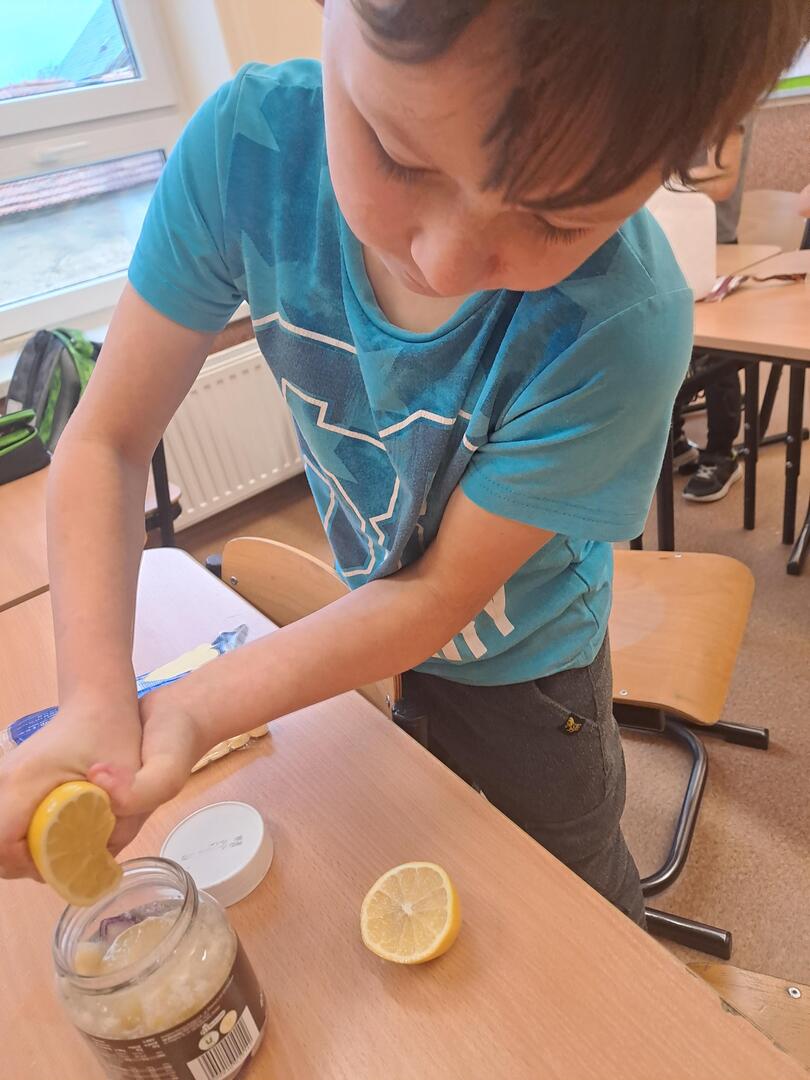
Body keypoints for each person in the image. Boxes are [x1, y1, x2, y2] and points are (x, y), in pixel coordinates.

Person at [0, 2, 806, 928]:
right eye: (398, 155)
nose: (445, 263)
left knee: (579, 900)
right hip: (380, 619)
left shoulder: (619, 326)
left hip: (531, 669)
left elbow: (436, 598)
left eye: (556, 223)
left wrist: (192, 708)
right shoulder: (246, 149)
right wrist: (95, 699)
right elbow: (105, 441)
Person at [672, 120, 754, 502]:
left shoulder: (727, 100)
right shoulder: (662, 101)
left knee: (715, 355)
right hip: (669, 238)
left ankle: (721, 453)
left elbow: (721, 181)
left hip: (714, 244)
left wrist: (652, 185)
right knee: (667, 340)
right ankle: (674, 440)